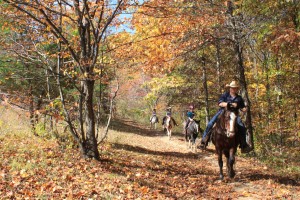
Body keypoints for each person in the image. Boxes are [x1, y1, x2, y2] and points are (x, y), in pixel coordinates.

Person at [199, 80, 252, 153]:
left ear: (237, 89)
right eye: (233, 88)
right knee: (210, 124)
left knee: (242, 127)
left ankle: (243, 145)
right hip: (223, 113)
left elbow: (242, 108)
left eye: (235, 88)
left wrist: (245, 108)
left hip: (234, 114)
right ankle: (204, 141)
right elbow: (220, 103)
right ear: (230, 88)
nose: (234, 89)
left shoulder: (239, 98)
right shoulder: (225, 95)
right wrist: (229, 104)